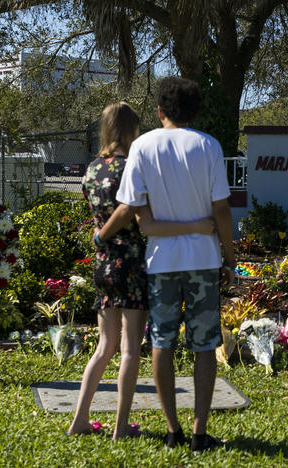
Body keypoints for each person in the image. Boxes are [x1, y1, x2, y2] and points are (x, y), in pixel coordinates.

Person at [95, 77, 235, 453]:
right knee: (205, 345)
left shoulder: (142, 146)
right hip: (204, 259)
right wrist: (230, 257)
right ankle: (199, 431)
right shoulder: (209, 146)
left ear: (160, 111)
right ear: (195, 111)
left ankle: (172, 428)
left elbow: (131, 209)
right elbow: (221, 209)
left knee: (162, 342)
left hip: (160, 262)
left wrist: (101, 236)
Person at [67, 101, 215, 440]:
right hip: (131, 263)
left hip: (103, 263)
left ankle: (79, 419)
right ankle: (120, 427)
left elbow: (103, 215)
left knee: (104, 347)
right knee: (131, 349)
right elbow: (144, 222)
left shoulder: (91, 169)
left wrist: (101, 236)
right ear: (131, 129)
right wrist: (196, 226)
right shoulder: (130, 166)